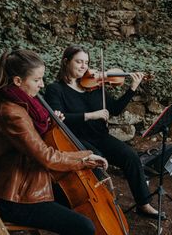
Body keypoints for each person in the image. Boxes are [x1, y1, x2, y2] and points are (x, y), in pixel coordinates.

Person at [0, 49, 109, 235]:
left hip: (33, 182)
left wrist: (77, 150)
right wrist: (83, 159)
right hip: (18, 198)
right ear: (18, 82)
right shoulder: (12, 113)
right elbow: (45, 156)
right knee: (84, 228)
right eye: (37, 80)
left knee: (77, 205)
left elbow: (44, 144)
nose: (42, 85)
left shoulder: (26, 106)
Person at [44, 45, 163, 220]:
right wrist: (91, 115)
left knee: (130, 156)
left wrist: (132, 88)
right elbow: (59, 119)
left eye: (86, 62)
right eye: (79, 61)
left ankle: (143, 204)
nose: (84, 66)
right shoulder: (56, 89)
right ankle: (100, 210)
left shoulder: (94, 86)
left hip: (100, 136)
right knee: (98, 161)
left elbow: (114, 109)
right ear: (66, 62)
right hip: (75, 139)